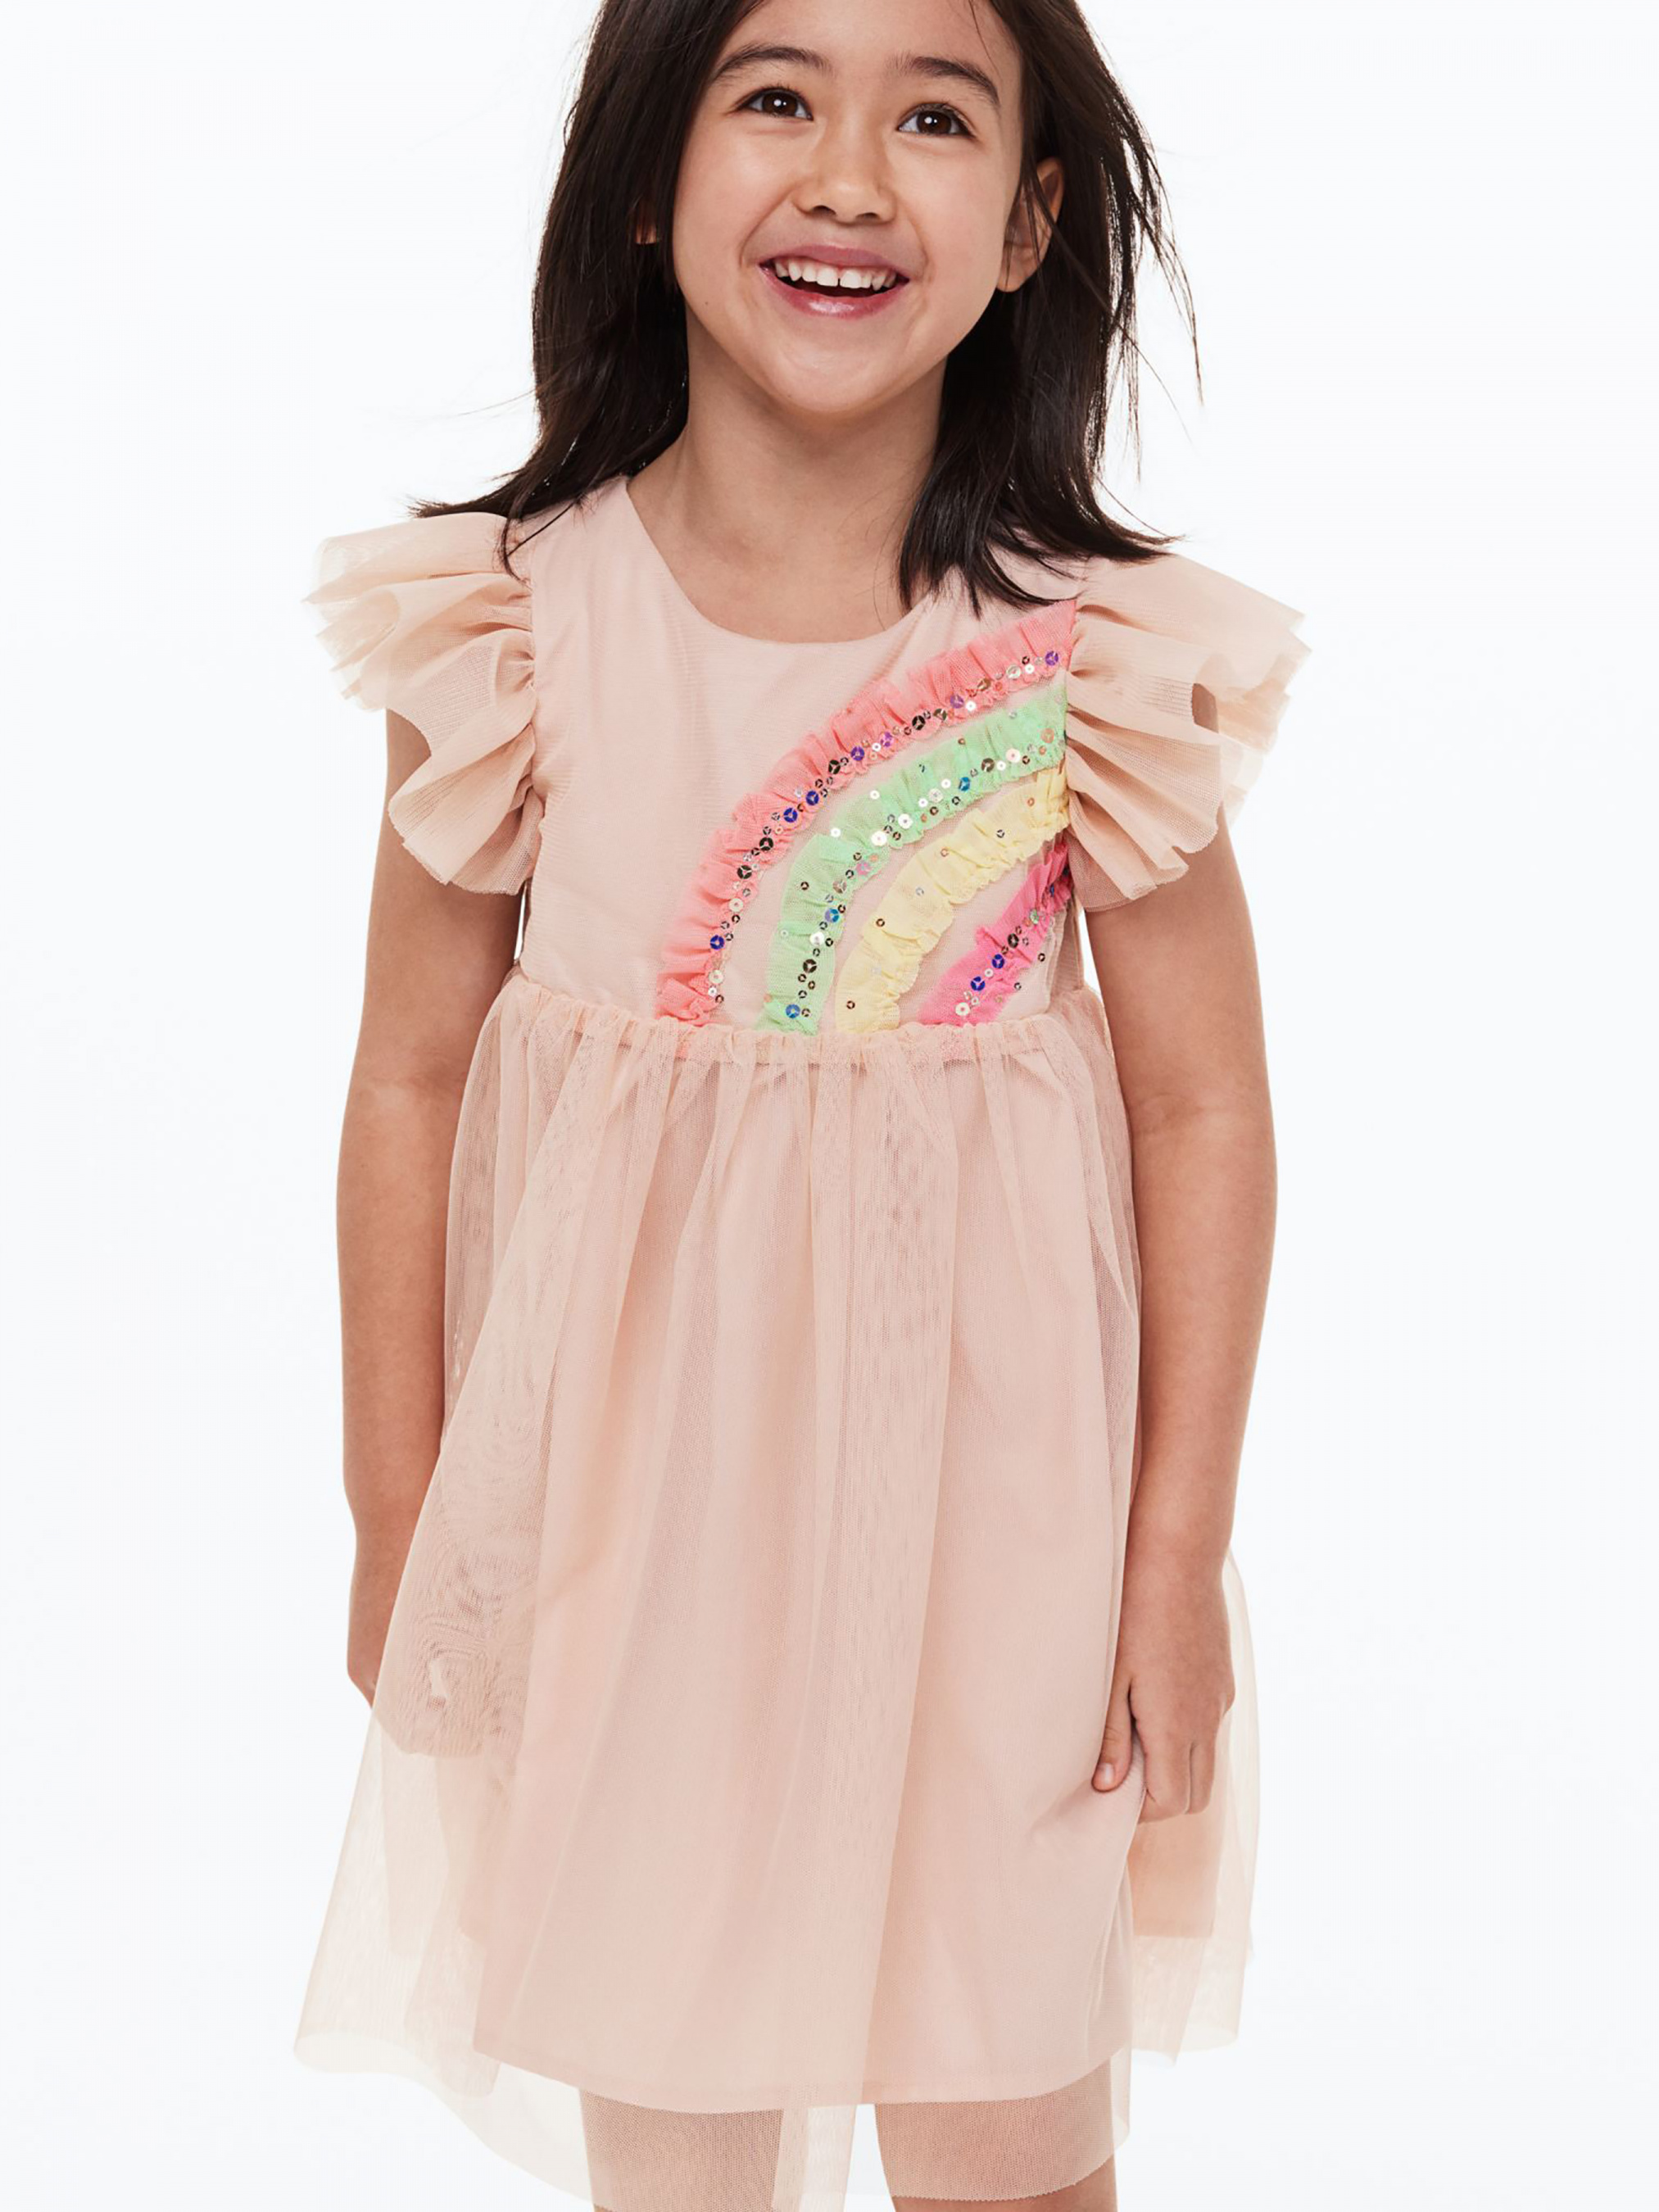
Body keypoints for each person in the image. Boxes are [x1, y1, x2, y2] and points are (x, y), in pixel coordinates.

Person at [293, 3, 1310, 2208]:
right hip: (624, 1540)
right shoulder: (511, 631)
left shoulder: (1091, 664)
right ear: (644, 177)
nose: (849, 174)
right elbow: (407, 1074)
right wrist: (398, 1511)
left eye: (933, 114)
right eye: (776, 97)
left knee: (1007, 2139)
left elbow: (1202, 1111)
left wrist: (1170, 1551)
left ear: (1029, 221)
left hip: (1001, 1547)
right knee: (672, 2135)